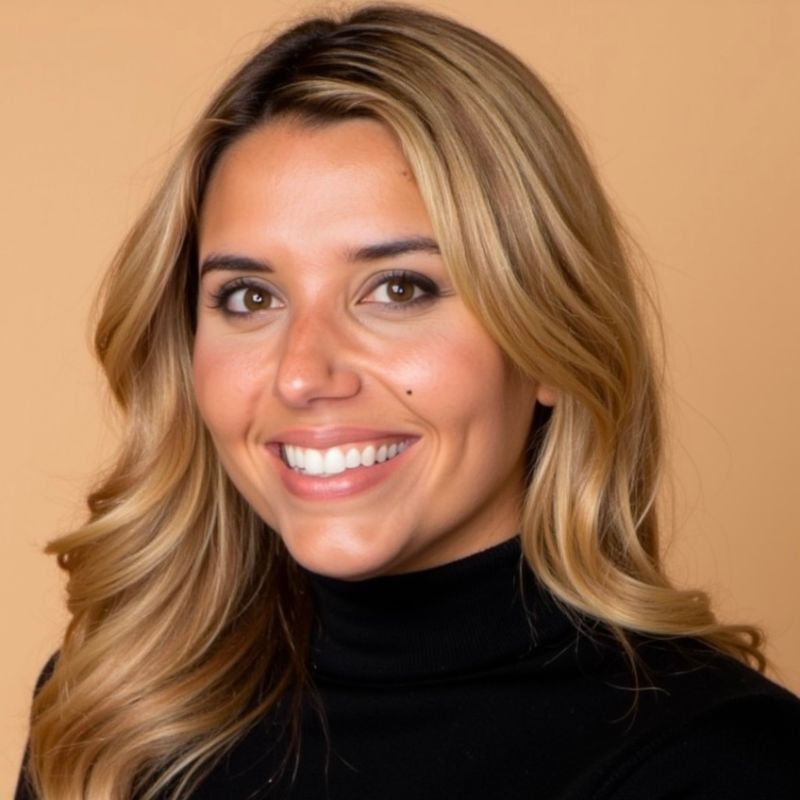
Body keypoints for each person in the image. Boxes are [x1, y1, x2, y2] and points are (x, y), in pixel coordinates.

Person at [16, 4, 800, 800]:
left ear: (549, 343)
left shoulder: (721, 765)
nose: (301, 374)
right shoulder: (115, 720)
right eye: (251, 297)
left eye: (397, 289)